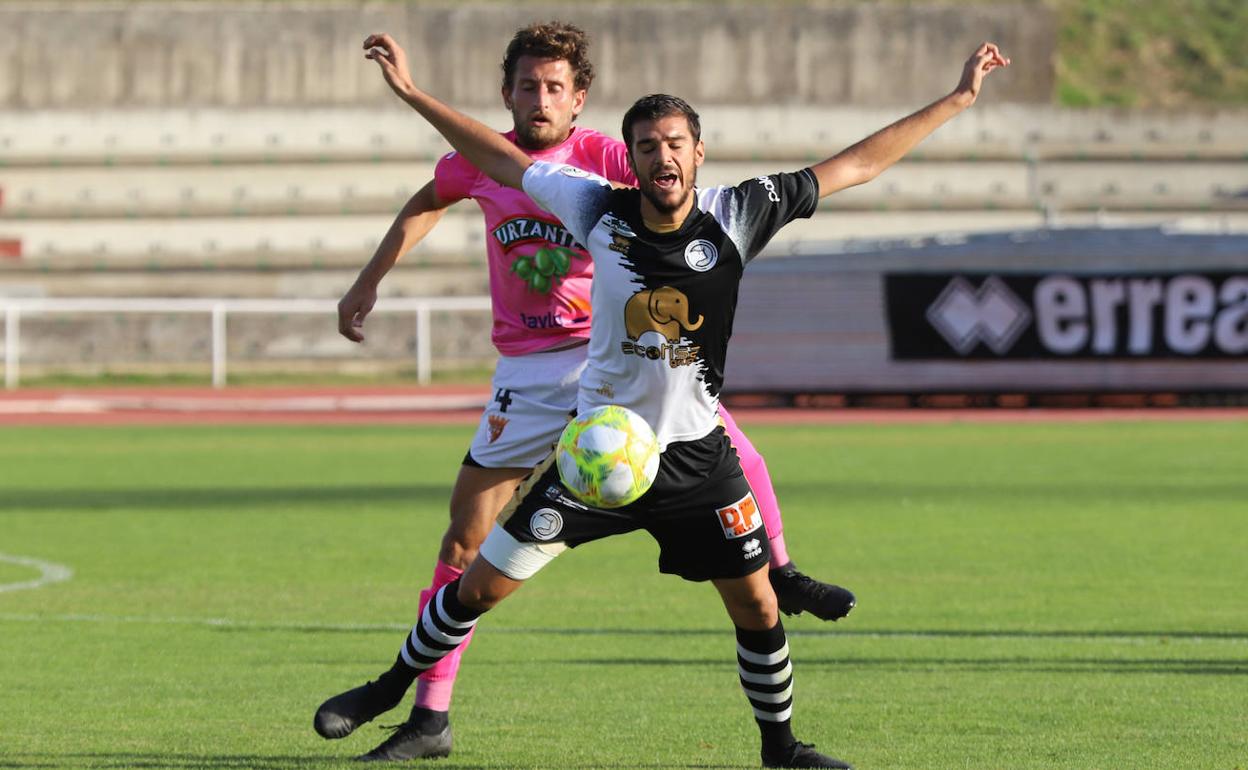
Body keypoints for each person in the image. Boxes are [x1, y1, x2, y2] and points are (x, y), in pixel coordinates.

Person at [316, 30, 1008, 769]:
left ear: (697, 152)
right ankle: (392, 689)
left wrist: (959, 99)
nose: (662, 158)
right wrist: (414, 95)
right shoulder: (596, 208)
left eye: (674, 143)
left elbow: (857, 164)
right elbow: (499, 160)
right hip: (600, 452)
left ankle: (782, 746)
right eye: (647, 147)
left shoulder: (740, 212)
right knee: (477, 584)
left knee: (758, 608)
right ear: (632, 159)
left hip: (694, 460)